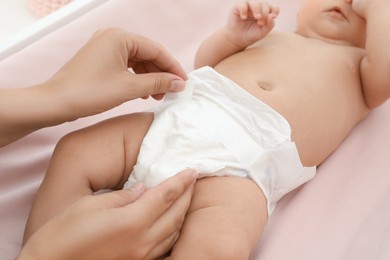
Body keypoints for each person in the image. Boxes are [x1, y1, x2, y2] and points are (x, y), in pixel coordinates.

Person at [23, 0, 390, 259]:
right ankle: (46, 241)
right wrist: (233, 36)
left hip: (242, 170)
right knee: (76, 149)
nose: (349, 2)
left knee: (221, 248)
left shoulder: (359, 69)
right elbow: (205, 65)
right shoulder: (273, 35)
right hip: (178, 119)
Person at [0, 28, 198, 259]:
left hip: (234, 155)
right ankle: (45, 238)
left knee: (217, 239)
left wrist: (55, 95)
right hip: (176, 124)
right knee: (76, 151)